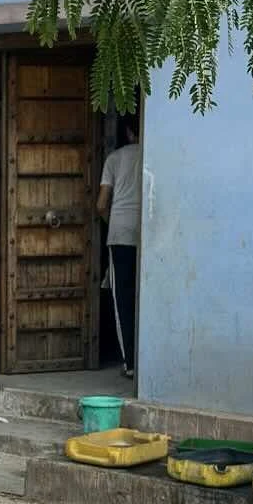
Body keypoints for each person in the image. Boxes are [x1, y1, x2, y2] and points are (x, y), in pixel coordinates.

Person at [96, 114, 141, 376]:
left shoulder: (114, 159)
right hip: (148, 232)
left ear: (127, 132)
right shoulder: (153, 153)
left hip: (121, 233)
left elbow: (101, 204)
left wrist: (110, 221)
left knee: (122, 299)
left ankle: (130, 364)